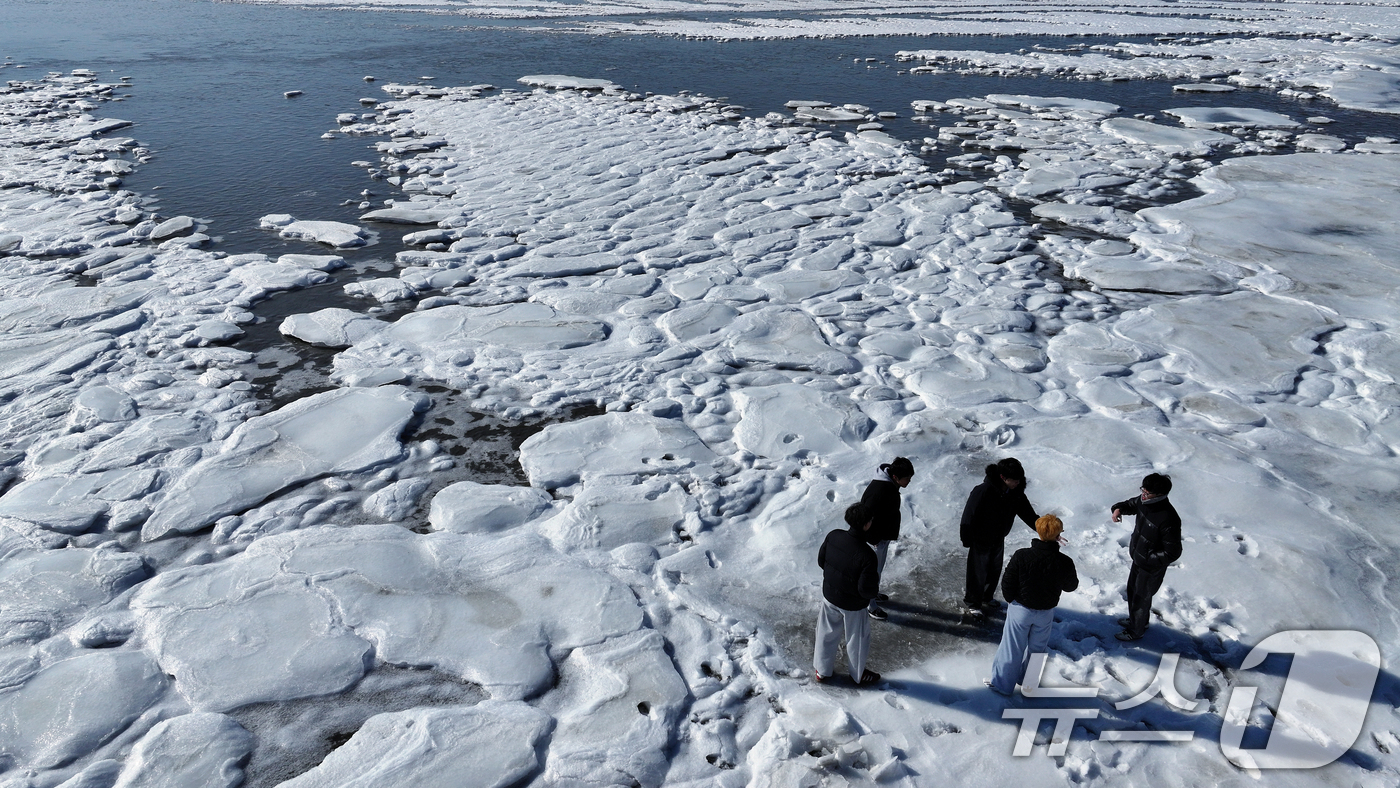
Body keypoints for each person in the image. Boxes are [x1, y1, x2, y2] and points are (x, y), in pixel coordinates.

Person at [986, 514, 1078, 696]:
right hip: (1045, 613)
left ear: (1038, 531)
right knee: (1038, 650)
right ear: (1058, 534)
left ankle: (1003, 685)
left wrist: (1012, 599)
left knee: (1012, 647)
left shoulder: (1022, 555)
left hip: (1020, 610)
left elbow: (1007, 582)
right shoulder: (1064, 562)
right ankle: (1028, 684)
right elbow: (1071, 586)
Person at [959, 458, 1039, 616]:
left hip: (998, 537)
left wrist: (1047, 531)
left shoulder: (1015, 494)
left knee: (994, 570)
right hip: (980, 538)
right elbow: (968, 515)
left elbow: (1029, 515)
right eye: (1014, 480)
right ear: (1003, 477)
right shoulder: (983, 491)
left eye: (1019, 480)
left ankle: (986, 597)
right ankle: (973, 603)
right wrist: (966, 538)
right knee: (978, 571)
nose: (1017, 483)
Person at [814, 502, 882, 685]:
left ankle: (822, 670)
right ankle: (857, 675)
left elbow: (821, 561)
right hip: (853, 605)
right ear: (867, 524)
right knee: (857, 640)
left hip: (830, 596)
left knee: (826, 633)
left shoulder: (833, 535)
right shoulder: (867, 555)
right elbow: (866, 590)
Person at [1111, 472, 1182, 641]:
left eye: (1147, 492)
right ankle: (1138, 621)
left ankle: (1136, 631)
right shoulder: (1145, 501)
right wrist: (1118, 509)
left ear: (1160, 494)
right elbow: (1131, 504)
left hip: (1151, 567)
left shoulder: (1168, 518)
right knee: (1133, 591)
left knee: (1141, 597)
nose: (1143, 494)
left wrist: (1149, 559)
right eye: (1143, 489)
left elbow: (1172, 552)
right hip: (1139, 559)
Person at [861, 457, 914, 621]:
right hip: (875, 540)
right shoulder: (879, 490)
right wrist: (873, 538)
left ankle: (873, 595)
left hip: (881, 538)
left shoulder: (890, 485)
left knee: (878, 570)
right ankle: (870, 605)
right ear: (896, 477)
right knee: (872, 572)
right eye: (907, 478)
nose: (909, 482)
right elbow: (864, 515)